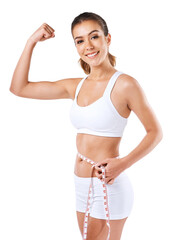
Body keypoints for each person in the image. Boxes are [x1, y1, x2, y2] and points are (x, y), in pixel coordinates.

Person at [9, 12, 163, 240]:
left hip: (107, 184)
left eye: (94, 37)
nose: (88, 46)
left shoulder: (125, 85)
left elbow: (156, 132)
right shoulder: (75, 86)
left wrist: (123, 164)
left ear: (107, 39)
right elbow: (19, 88)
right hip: (81, 185)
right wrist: (31, 41)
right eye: (79, 40)